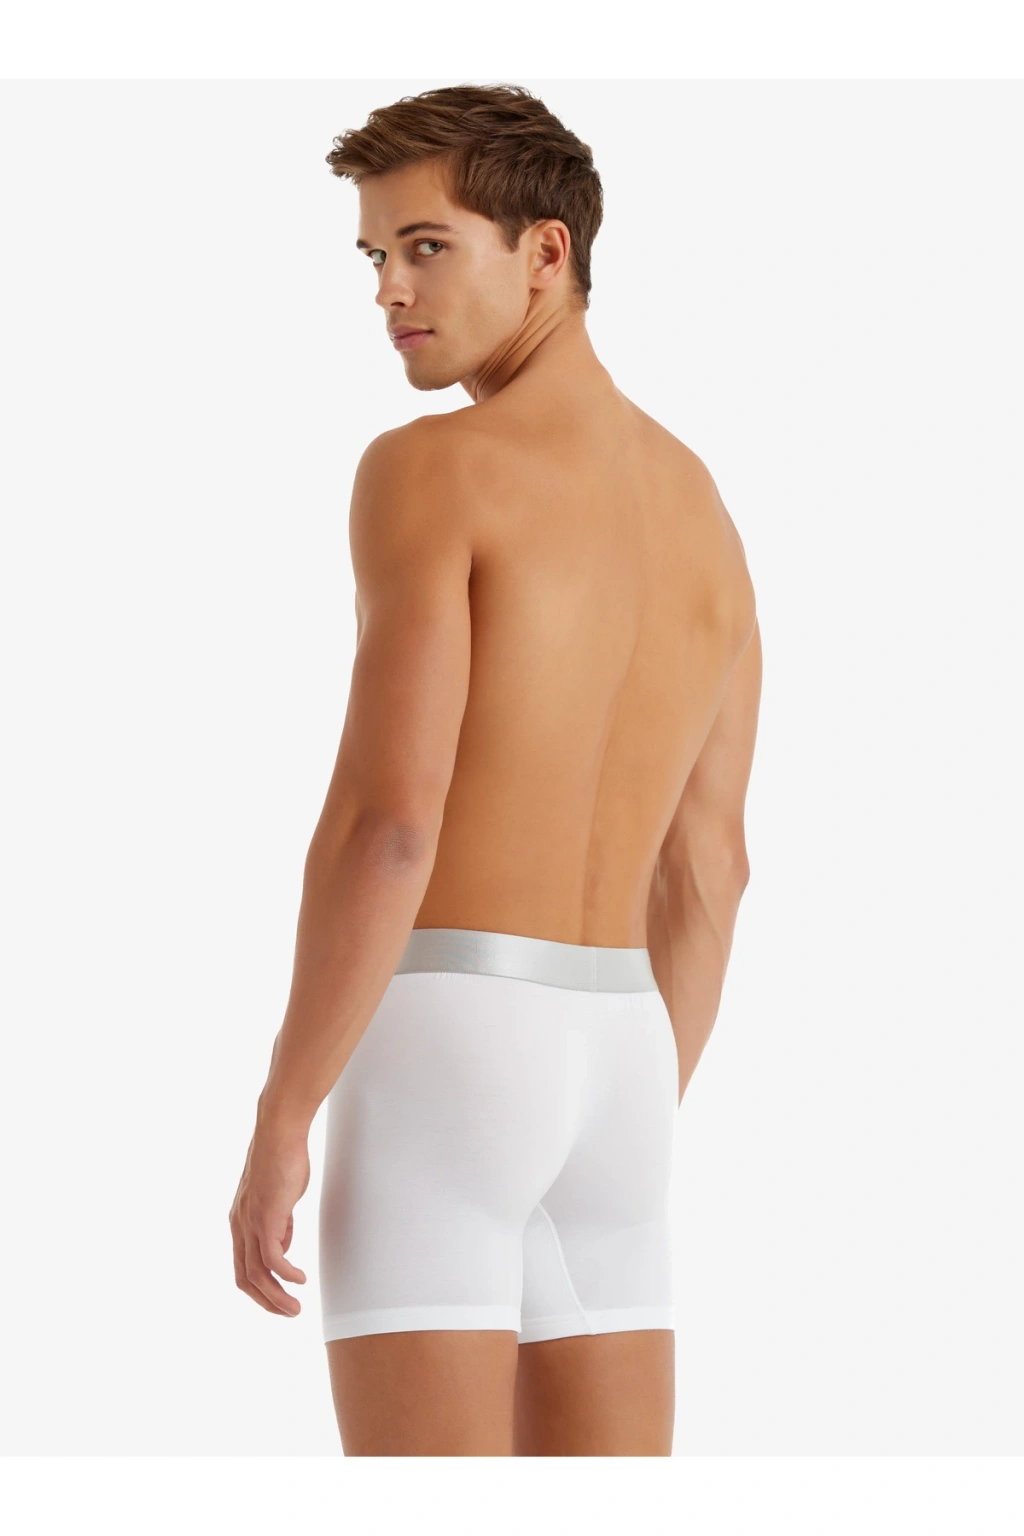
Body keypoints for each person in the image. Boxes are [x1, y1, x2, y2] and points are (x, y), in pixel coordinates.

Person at [228, 82, 762, 1457]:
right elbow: (712, 870)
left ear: (545, 252)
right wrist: (610, 1104)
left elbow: (389, 825)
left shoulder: (433, 469)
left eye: (427, 246)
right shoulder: (704, 511)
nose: (389, 291)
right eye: (374, 255)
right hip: (630, 1054)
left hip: (448, 1035)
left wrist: (285, 1110)